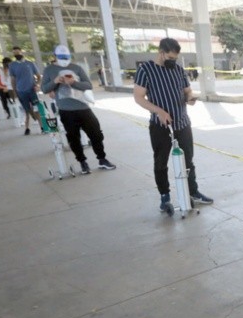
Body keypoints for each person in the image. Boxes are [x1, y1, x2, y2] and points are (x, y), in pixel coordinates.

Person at [133, 37, 213, 211]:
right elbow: (138, 97)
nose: (173, 61)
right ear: (161, 53)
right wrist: (159, 111)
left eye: (175, 58)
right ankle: (165, 197)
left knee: (188, 161)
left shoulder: (178, 70)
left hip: (182, 124)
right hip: (160, 126)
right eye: (170, 58)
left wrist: (190, 98)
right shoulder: (146, 70)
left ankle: (193, 192)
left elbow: (187, 91)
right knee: (161, 163)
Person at [41, 45, 116, 174]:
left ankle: (102, 159)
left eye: (66, 57)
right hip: (66, 110)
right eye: (61, 57)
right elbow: (44, 89)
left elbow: (88, 85)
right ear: (55, 57)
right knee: (73, 138)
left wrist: (73, 82)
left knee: (96, 134)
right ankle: (82, 162)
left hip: (83, 107)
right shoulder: (49, 70)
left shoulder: (77, 68)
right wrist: (55, 81)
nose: (64, 60)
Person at [9, 46, 42, 135]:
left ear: (21, 52)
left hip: (32, 90)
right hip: (21, 91)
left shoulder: (30, 63)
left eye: (17, 52)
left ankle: (42, 127)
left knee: (37, 109)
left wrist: (38, 84)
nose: (16, 54)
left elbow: (39, 76)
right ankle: (27, 128)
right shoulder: (12, 65)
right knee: (27, 110)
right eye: (14, 53)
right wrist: (15, 92)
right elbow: (13, 80)